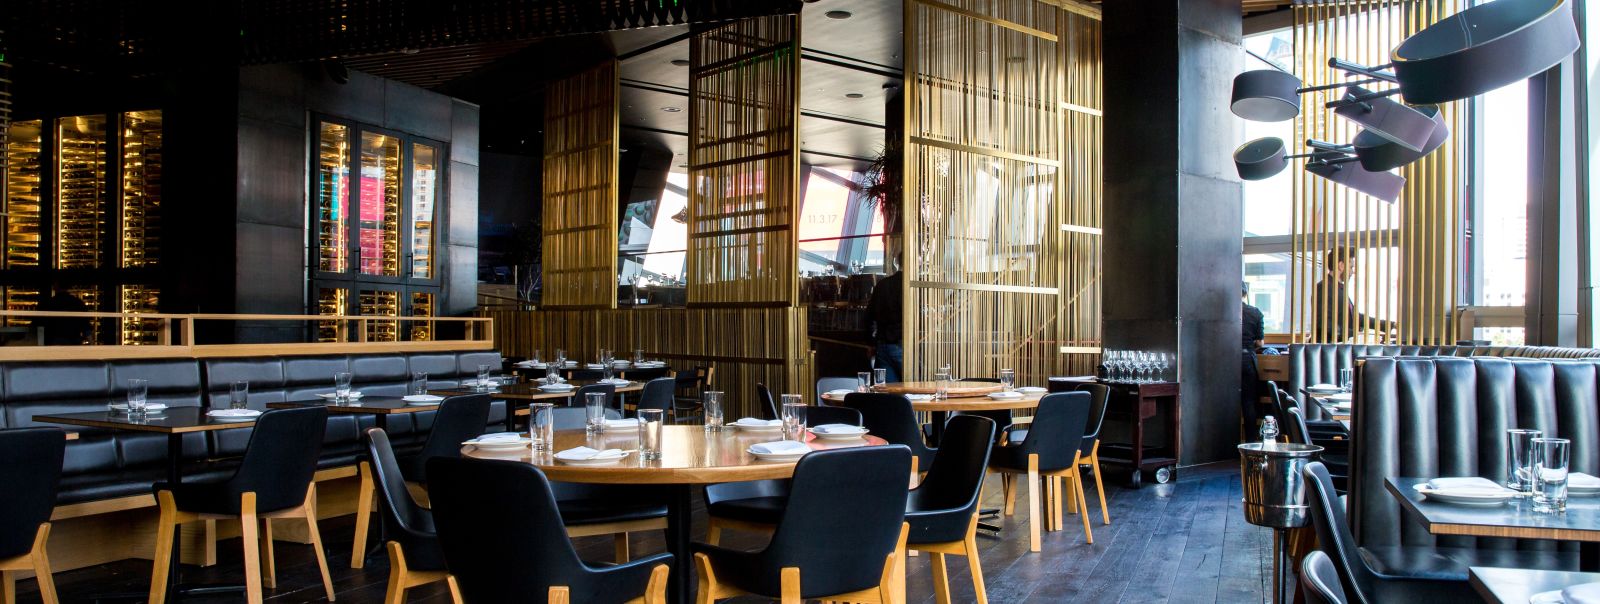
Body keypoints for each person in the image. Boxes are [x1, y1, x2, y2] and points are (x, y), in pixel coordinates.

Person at [1312, 248, 1394, 342]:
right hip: (1328, 350)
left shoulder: (1338, 288)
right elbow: (1324, 324)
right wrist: (1355, 335)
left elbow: (1355, 316)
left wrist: (1389, 325)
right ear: (1341, 265)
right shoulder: (1323, 288)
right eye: (1351, 267)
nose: (1352, 271)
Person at [865, 262, 903, 383]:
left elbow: (867, 317)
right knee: (915, 392)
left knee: (885, 394)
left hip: (882, 347)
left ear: (897, 263)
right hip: (903, 346)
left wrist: (870, 343)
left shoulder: (882, 284)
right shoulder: (911, 286)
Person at [1241, 282, 1264, 433]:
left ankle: (1225, 446)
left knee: (1225, 402)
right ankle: (1249, 442)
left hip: (1225, 361)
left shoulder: (1224, 313)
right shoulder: (1255, 312)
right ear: (1245, 294)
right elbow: (1260, 342)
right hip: (1247, 359)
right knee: (1248, 402)